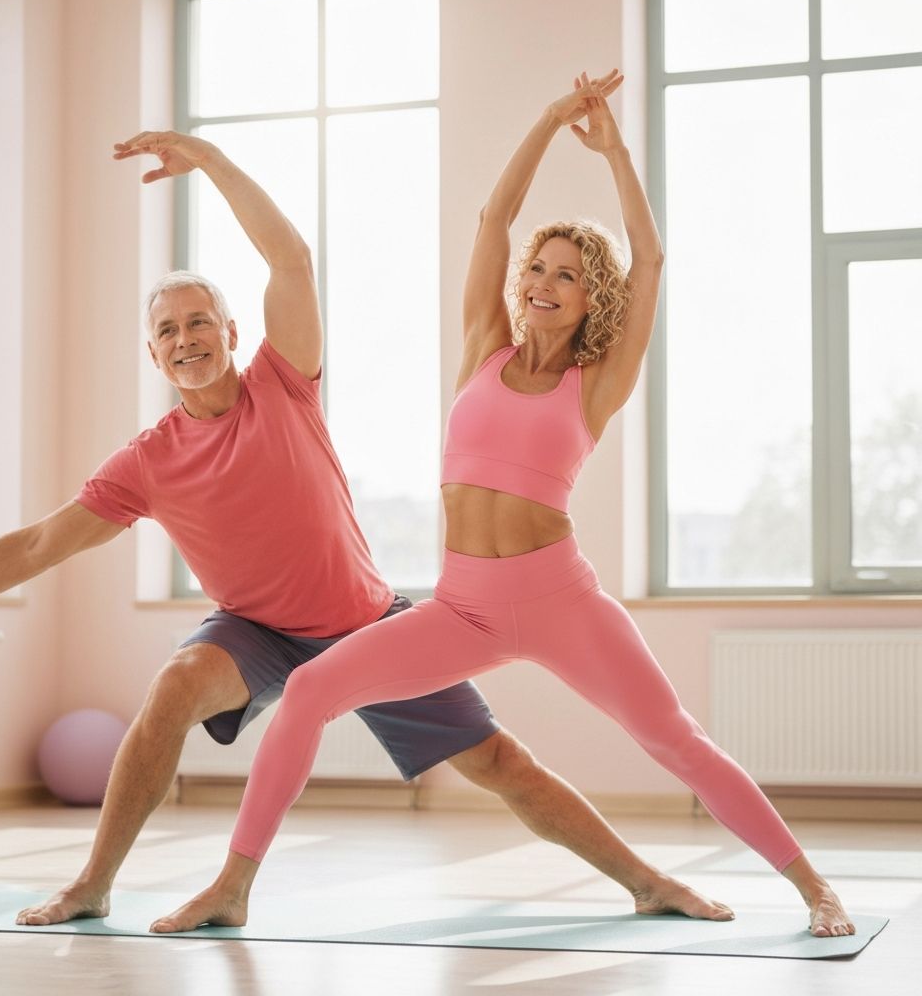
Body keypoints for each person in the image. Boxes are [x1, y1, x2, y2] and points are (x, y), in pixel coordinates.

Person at [0, 115, 732, 930]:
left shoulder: (284, 381)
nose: (186, 339)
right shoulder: (146, 462)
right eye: (167, 331)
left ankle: (648, 881)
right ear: (153, 356)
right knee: (175, 688)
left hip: (367, 621)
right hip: (255, 632)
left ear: (231, 332)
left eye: (199, 321)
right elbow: (39, 543)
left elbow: (289, 257)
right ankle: (93, 884)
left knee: (500, 763)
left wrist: (210, 159)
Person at [147, 72, 857, 939]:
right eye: (539, 269)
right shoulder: (485, 346)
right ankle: (233, 887)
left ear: (594, 296)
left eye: (568, 275)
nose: (545, 282)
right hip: (465, 609)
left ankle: (814, 887)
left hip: (560, 600)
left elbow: (650, 258)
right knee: (309, 690)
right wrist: (551, 117)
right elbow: (493, 219)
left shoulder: (597, 383)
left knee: (674, 739)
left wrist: (616, 154)